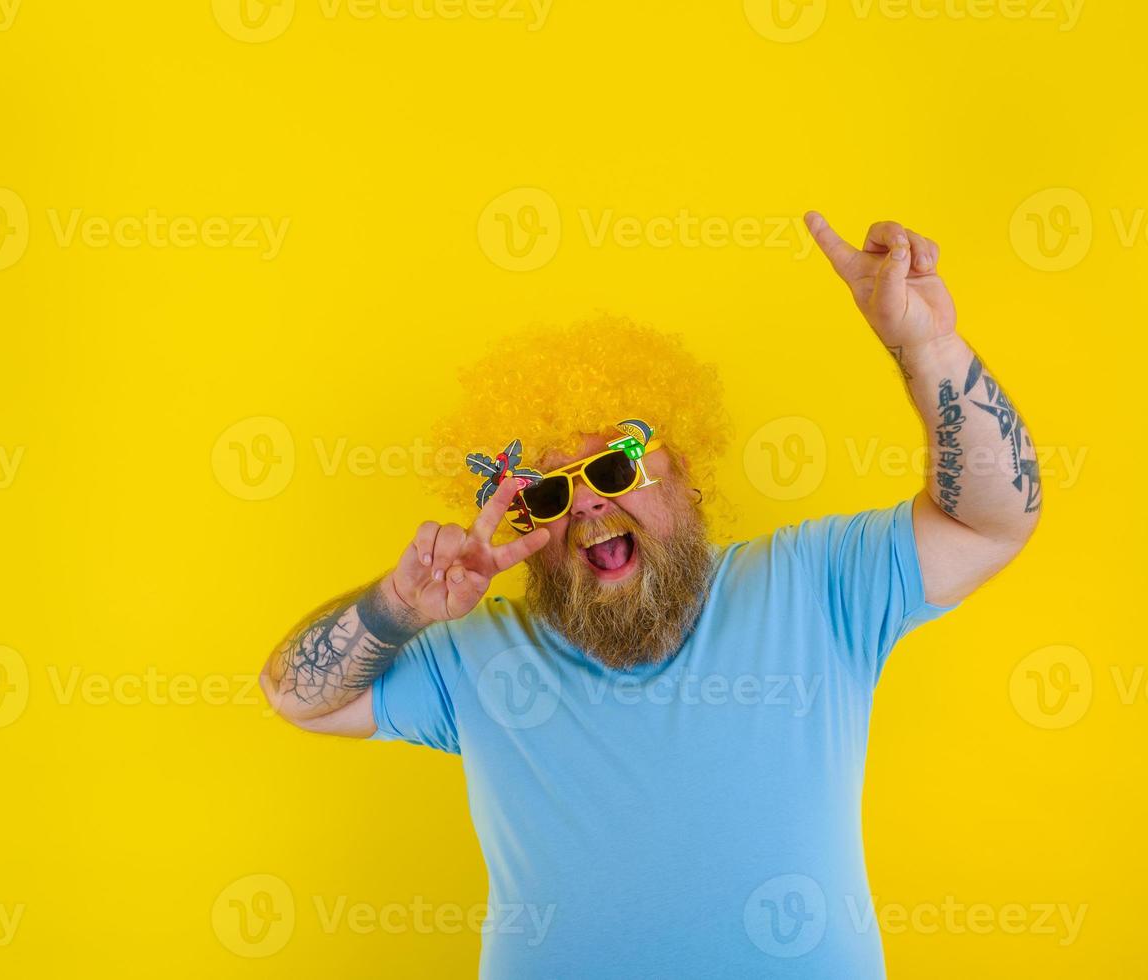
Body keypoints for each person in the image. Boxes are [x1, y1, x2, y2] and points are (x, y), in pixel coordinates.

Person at [260, 213, 1042, 977]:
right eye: (553, 495)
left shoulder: (814, 583)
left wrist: (927, 345)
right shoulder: (474, 653)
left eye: (611, 472)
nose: (590, 507)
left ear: (686, 476)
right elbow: (297, 697)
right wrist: (398, 606)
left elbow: (989, 523)